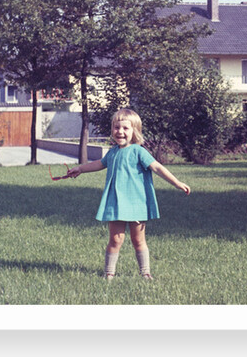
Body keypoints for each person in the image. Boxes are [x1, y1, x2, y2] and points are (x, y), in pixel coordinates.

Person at [67, 108, 190, 280]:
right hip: (116, 202)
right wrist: (80, 168)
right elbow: (99, 164)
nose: (121, 132)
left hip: (136, 203)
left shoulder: (138, 151)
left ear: (135, 131)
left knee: (138, 240)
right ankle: (109, 273)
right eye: (117, 128)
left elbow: (157, 168)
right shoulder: (112, 152)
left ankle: (145, 273)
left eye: (125, 128)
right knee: (116, 240)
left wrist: (177, 183)